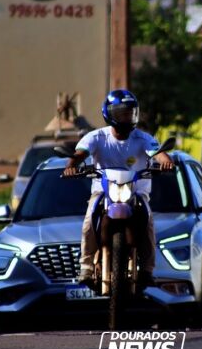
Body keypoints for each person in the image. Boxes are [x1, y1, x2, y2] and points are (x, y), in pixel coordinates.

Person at [64, 89, 174, 288]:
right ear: (109, 113)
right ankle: (86, 267)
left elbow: (158, 153)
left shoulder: (143, 138)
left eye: (130, 113)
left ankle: (147, 270)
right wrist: (71, 166)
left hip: (137, 192)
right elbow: (80, 153)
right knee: (89, 221)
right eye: (121, 113)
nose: (126, 117)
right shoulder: (97, 137)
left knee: (148, 222)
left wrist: (166, 162)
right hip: (102, 191)